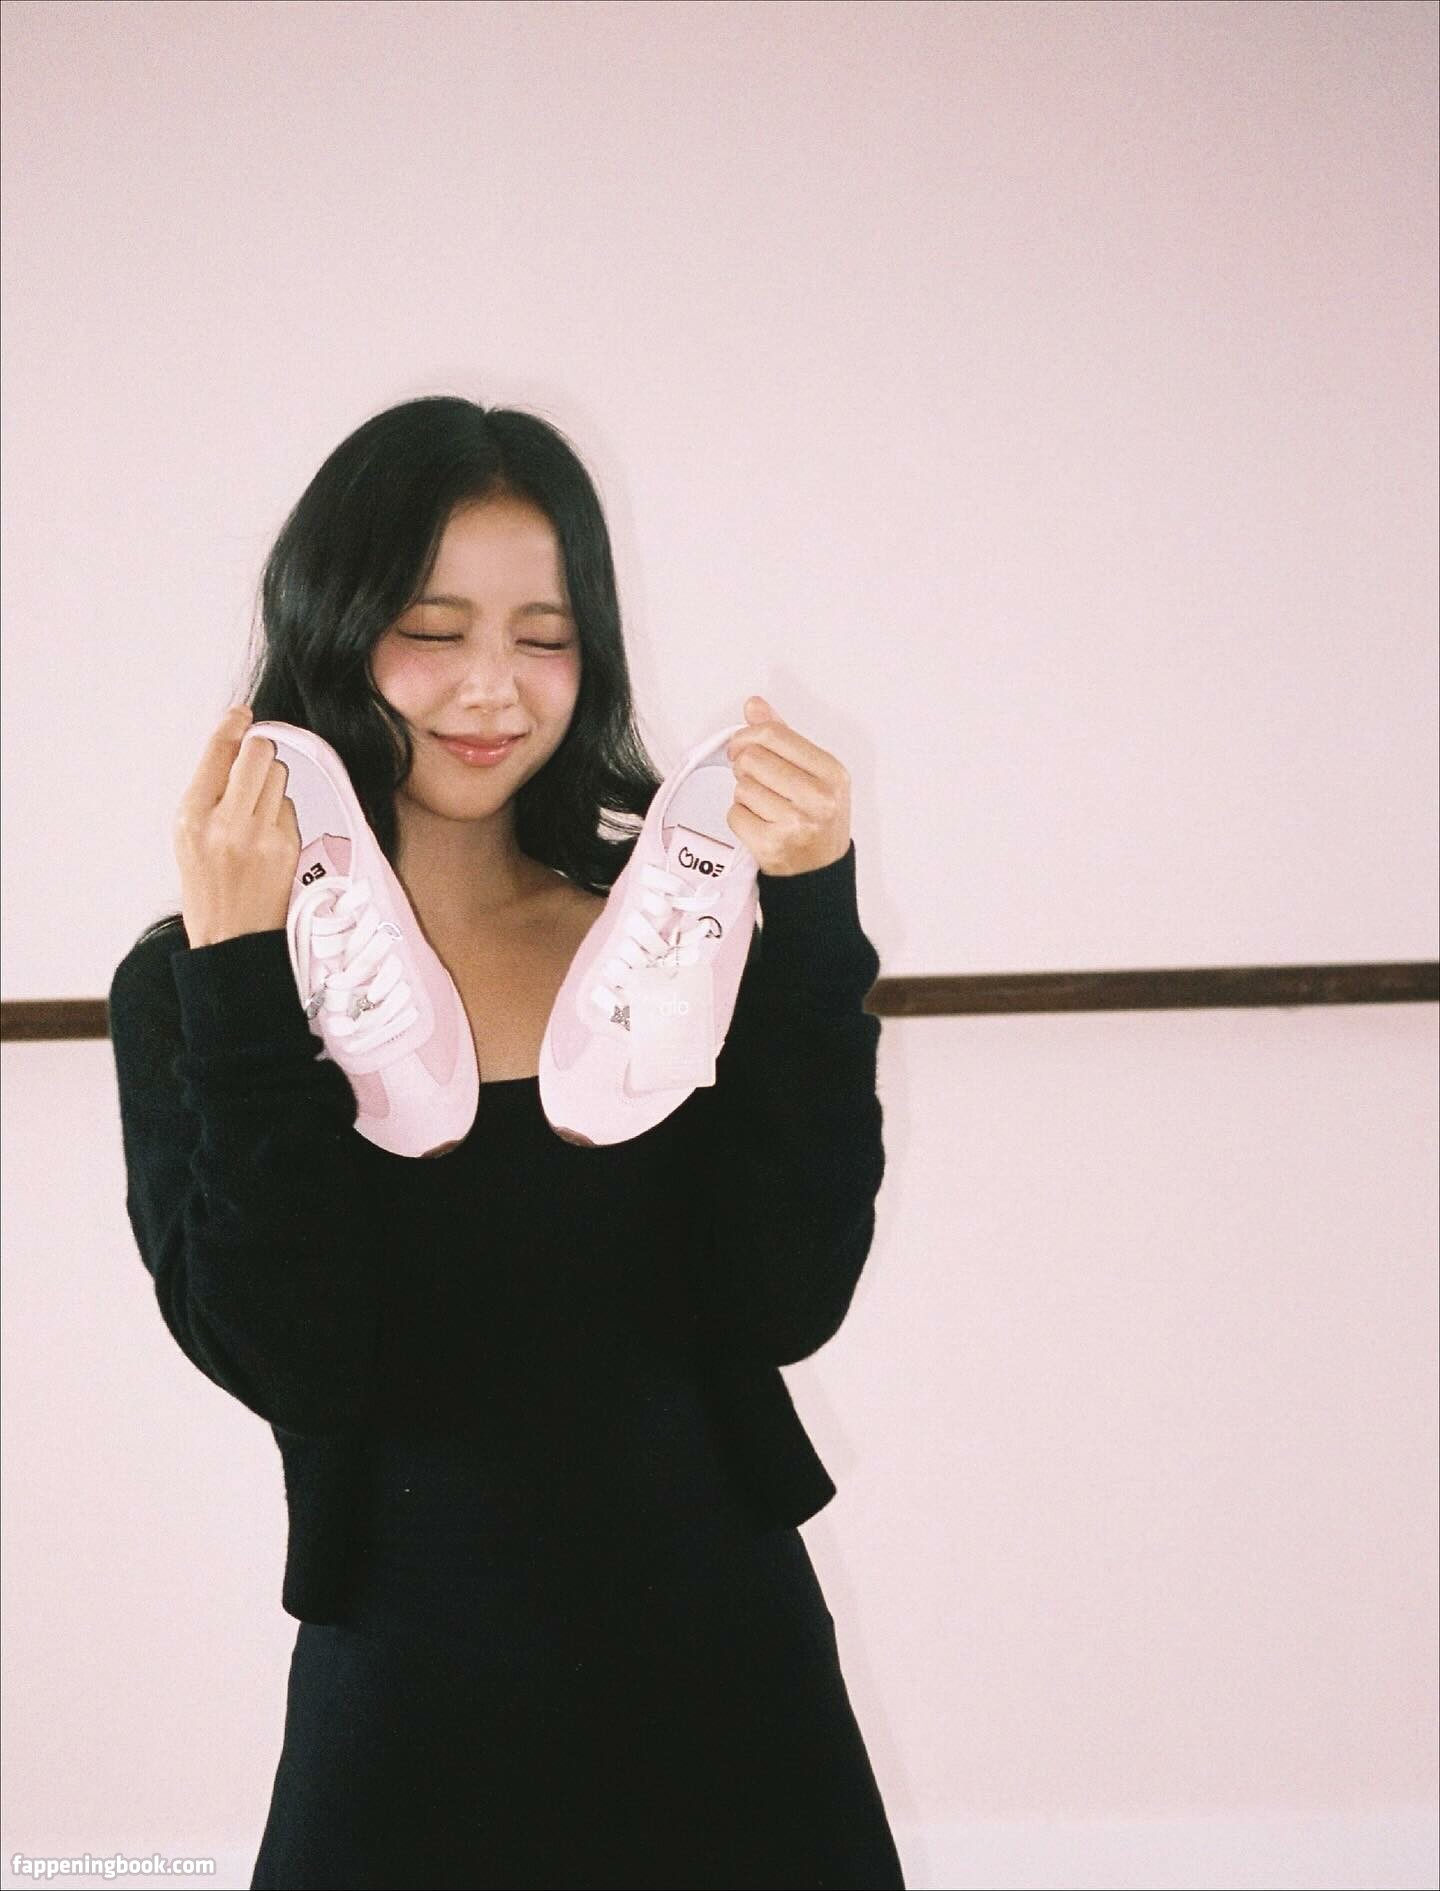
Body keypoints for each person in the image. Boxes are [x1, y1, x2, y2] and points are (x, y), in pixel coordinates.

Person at [107, 393, 905, 1889]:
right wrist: (240, 973)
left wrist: (808, 917)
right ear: (332, 629)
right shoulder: (201, 986)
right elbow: (294, 1360)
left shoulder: (672, 939)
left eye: (545, 635)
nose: (492, 687)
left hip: (730, 1683)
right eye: (431, 628)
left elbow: (784, 1302)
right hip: (408, 1703)